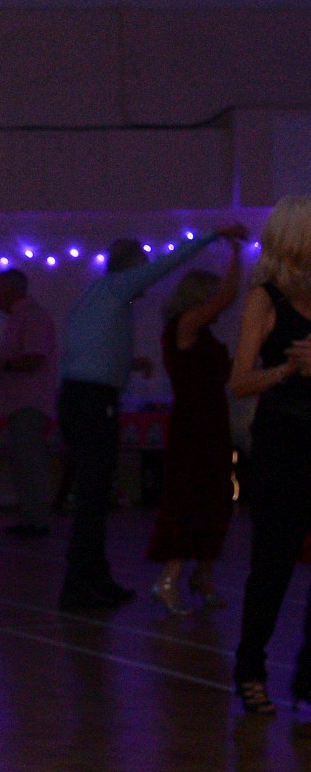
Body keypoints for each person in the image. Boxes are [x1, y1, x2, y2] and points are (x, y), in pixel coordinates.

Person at [56, 226, 243, 610]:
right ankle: (79, 585)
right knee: (93, 495)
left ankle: (94, 578)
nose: (146, 277)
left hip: (85, 398)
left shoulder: (101, 297)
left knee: (96, 494)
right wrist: (213, 236)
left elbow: (83, 351)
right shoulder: (116, 288)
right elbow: (168, 263)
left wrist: (127, 366)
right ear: (131, 267)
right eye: (141, 268)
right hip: (93, 401)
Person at [229, 198, 311, 715]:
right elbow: (239, 382)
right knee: (273, 566)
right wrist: (287, 370)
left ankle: (308, 678)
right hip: (283, 443)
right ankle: (250, 670)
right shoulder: (266, 297)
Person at [146, 257, 243, 614]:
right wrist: (235, 253)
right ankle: (168, 579)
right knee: (190, 499)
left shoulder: (203, 334)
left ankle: (203, 575)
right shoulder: (184, 324)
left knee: (217, 499)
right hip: (193, 425)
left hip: (213, 421)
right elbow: (227, 297)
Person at [0, 268, 58, 538]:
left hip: (29, 402)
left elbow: (35, 359)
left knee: (30, 462)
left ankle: (37, 520)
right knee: (22, 462)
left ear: (11, 291)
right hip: (20, 403)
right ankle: (30, 517)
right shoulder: (22, 318)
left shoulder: (31, 317)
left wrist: (0, 365)